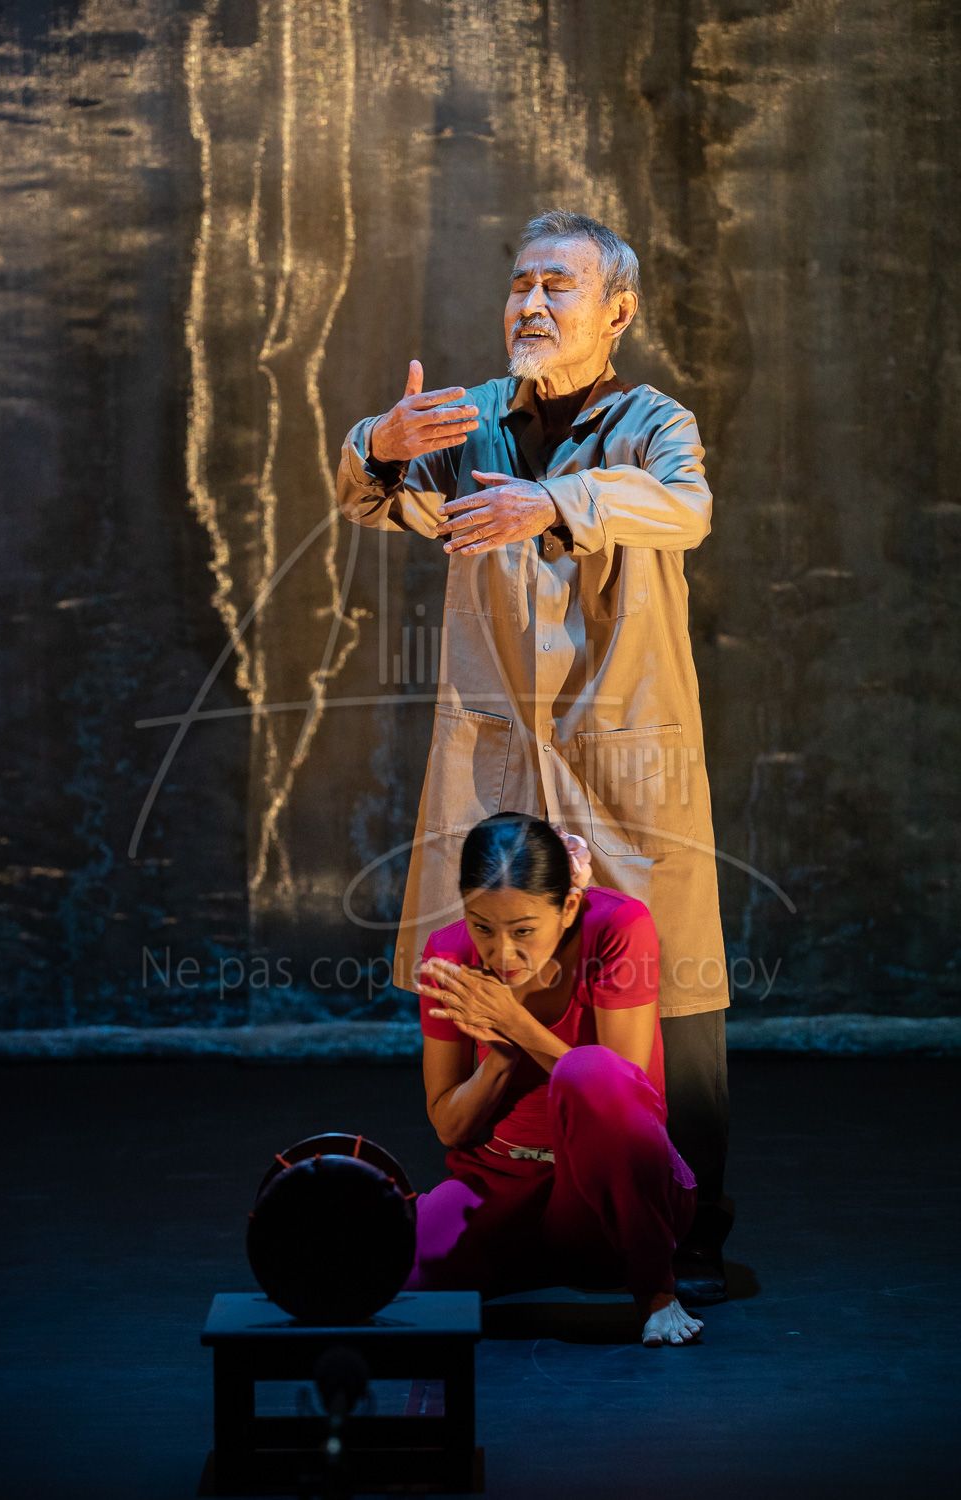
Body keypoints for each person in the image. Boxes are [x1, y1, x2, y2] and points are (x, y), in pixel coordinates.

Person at [336, 208, 731, 1299]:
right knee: (492, 955)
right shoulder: (466, 422)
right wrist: (377, 444)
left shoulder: (654, 422)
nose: (531, 303)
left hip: (621, 744)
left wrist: (551, 501)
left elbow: (686, 507)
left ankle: (687, 1229)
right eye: (520, 283)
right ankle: (506, 1195)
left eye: (559, 285)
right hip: (500, 746)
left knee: (671, 980)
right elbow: (370, 500)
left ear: (617, 311)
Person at [404, 812, 704, 1348]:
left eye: (523, 931)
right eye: (482, 927)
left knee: (590, 1071)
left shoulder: (617, 927)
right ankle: (520, 1262)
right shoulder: (449, 957)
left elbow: (623, 1096)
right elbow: (450, 1127)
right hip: (501, 1185)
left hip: (604, 1196)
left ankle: (656, 1290)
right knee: (396, 1267)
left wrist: (516, 1023)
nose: (501, 954)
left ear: (567, 907)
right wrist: (499, 1057)